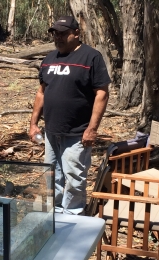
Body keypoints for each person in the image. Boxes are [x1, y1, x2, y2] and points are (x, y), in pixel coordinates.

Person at [29, 16, 111, 215]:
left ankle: (72, 216)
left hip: (77, 133)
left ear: (76, 33)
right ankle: (53, 215)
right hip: (51, 131)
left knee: (74, 177)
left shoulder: (91, 57)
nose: (58, 37)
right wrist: (33, 123)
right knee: (51, 175)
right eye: (55, 33)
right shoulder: (49, 59)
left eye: (63, 33)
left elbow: (102, 93)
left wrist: (92, 129)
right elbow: (41, 92)